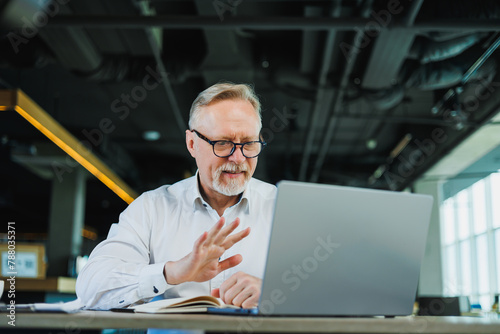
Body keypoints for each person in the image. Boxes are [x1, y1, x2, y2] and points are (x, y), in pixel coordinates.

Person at [76, 82, 277, 311]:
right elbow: (91, 287)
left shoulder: (285, 208)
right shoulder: (152, 208)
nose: (238, 158)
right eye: (223, 143)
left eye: (249, 144)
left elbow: (325, 289)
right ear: (192, 143)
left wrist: (276, 293)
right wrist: (170, 272)